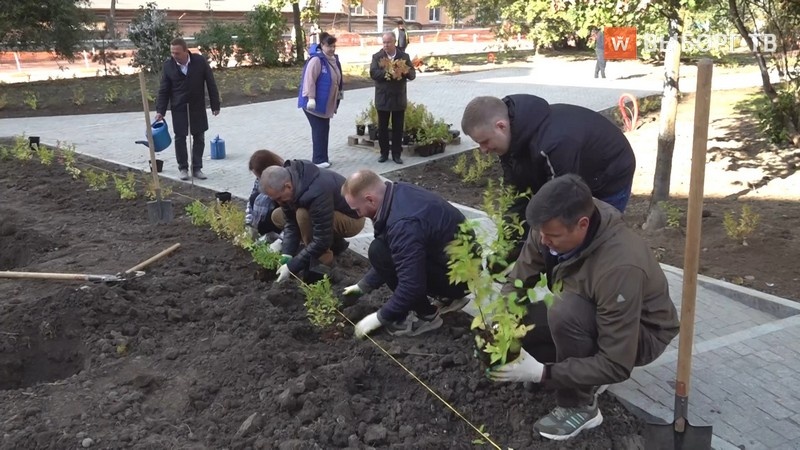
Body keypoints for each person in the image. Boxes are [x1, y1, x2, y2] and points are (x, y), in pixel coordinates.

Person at [488, 174, 679, 441]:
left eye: (552, 235)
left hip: (641, 333)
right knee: (523, 319)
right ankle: (578, 369)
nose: (543, 240)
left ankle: (579, 405)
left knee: (564, 312)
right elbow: (519, 277)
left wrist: (541, 372)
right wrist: (502, 316)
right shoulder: (550, 223)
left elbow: (617, 364)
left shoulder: (620, 266)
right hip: (591, 309)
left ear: (582, 225)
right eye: (540, 233)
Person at [460, 94, 635, 255]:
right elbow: (517, 196)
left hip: (609, 172)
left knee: (588, 239)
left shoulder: (552, 144)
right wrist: (509, 248)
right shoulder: (511, 140)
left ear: (501, 126)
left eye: (484, 142)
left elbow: (557, 207)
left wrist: (542, 260)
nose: (483, 150)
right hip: (573, 168)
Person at [340, 170, 471, 338]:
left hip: (459, 278)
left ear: (370, 199)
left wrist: (379, 317)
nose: (358, 215)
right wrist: (363, 286)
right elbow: (398, 253)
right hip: (459, 268)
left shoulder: (402, 224)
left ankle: (427, 316)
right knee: (383, 250)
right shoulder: (396, 193)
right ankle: (450, 296)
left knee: (378, 251)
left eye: (357, 209)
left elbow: (411, 284)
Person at [260, 160, 365, 283]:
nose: (279, 202)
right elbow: (291, 223)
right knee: (277, 215)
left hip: (352, 219)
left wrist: (293, 266)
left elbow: (321, 239)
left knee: (303, 215)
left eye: (279, 198)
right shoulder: (291, 185)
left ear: (288, 186)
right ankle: (334, 243)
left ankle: (322, 260)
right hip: (327, 216)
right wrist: (287, 254)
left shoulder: (317, 190)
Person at [155, 37, 221, 181]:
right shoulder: (168, 66)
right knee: (180, 138)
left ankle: (197, 168)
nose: (174, 56)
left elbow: (211, 83)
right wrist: (161, 111)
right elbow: (164, 90)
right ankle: (183, 168)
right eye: (172, 53)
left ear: (186, 51)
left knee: (199, 137)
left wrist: (215, 105)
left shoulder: (199, 61)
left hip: (197, 106)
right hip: (178, 107)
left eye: (177, 53)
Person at [370, 32, 416, 165]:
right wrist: (389, 72)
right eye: (383, 42)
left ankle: (397, 154)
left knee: (398, 128)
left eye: (388, 42)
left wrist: (405, 71)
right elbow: (373, 73)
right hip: (383, 97)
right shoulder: (377, 57)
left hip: (398, 97)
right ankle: (384, 153)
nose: (385, 45)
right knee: (382, 128)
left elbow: (412, 75)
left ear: (394, 42)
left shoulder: (404, 56)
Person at [298, 32, 343, 168]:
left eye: (334, 46)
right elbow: (309, 80)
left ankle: (323, 158)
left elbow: (337, 80)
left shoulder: (333, 60)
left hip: (326, 104)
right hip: (313, 105)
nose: (332, 49)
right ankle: (318, 160)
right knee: (319, 130)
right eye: (329, 46)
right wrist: (311, 98)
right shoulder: (316, 60)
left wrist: (339, 95)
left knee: (324, 129)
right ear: (322, 45)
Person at [245, 150, 285, 239]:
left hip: (276, 225)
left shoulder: (282, 180)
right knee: (254, 197)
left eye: (259, 176)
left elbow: (291, 216)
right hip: (264, 222)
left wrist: (281, 241)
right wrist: (248, 223)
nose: (258, 179)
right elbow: (250, 200)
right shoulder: (259, 179)